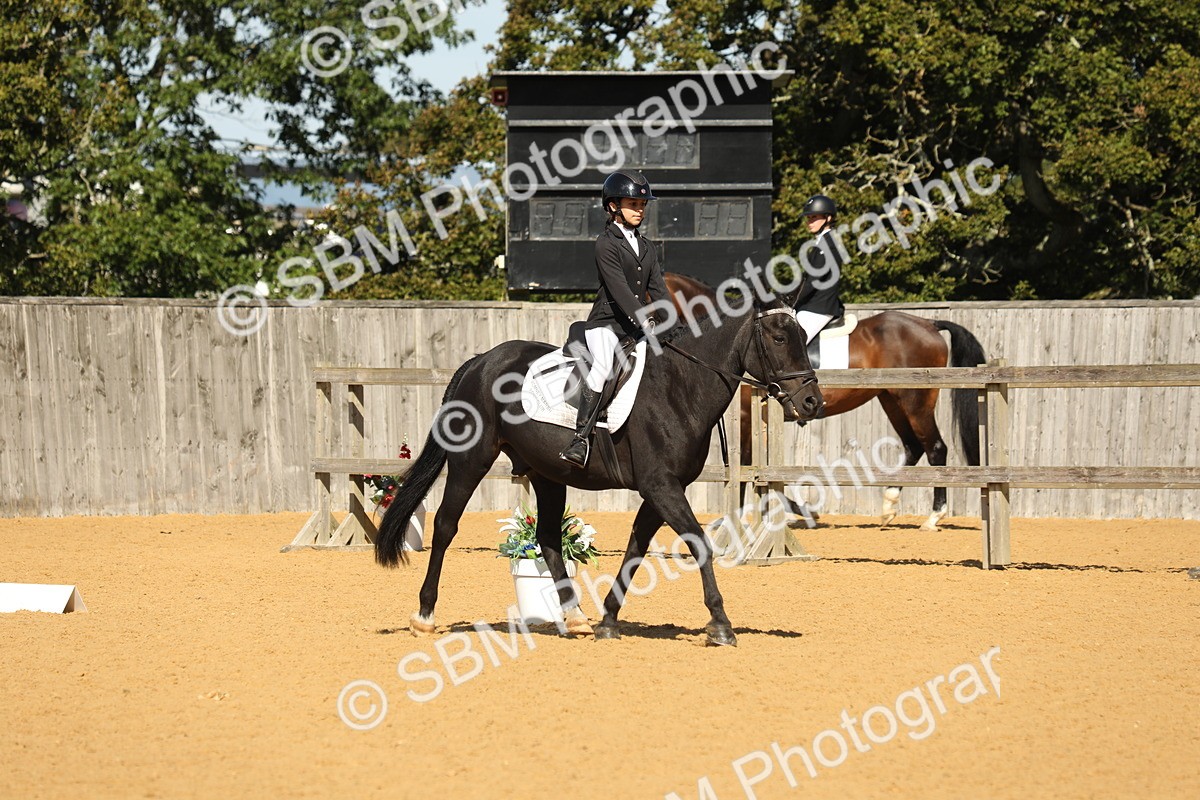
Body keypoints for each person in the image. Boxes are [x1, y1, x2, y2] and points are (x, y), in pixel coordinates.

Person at [558, 169, 668, 469]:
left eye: (643, 204)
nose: (640, 209)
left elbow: (658, 289)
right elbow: (619, 289)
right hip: (605, 324)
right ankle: (580, 438)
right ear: (613, 206)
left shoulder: (646, 247)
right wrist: (644, 319)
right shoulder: (605, 243)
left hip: (635, 328)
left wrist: (675, 326)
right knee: (605, 364)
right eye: (633, 204)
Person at [792, 193, 846, 343]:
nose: (809, 222)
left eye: (814, 217)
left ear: (828, 218)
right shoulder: (822, 242)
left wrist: (791, 299)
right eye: (809, 218)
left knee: (792, 344)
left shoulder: (829, 245)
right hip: (812, 306)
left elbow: (812, 283)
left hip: (819, 308)